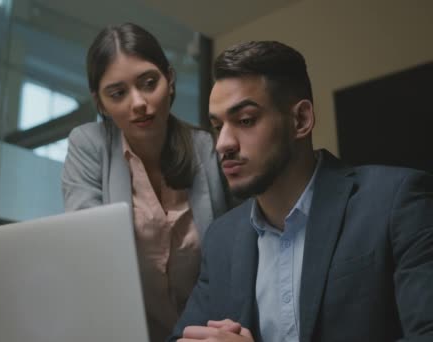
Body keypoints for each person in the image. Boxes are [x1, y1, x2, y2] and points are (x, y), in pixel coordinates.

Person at [170, 41, 433, 342]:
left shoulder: (396, 200)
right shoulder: (221, 239)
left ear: (301, 120)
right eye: (218, 127)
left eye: (245, 120)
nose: (223, 144)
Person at [62, 23, 234, 341]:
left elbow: (235, 253)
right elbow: (87, 249)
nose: (138, 102)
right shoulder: (89, 145)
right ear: (100, 103)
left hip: (207, 333)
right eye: (118, 93)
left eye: (149, 83)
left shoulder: (208, 148)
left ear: (170, 80)